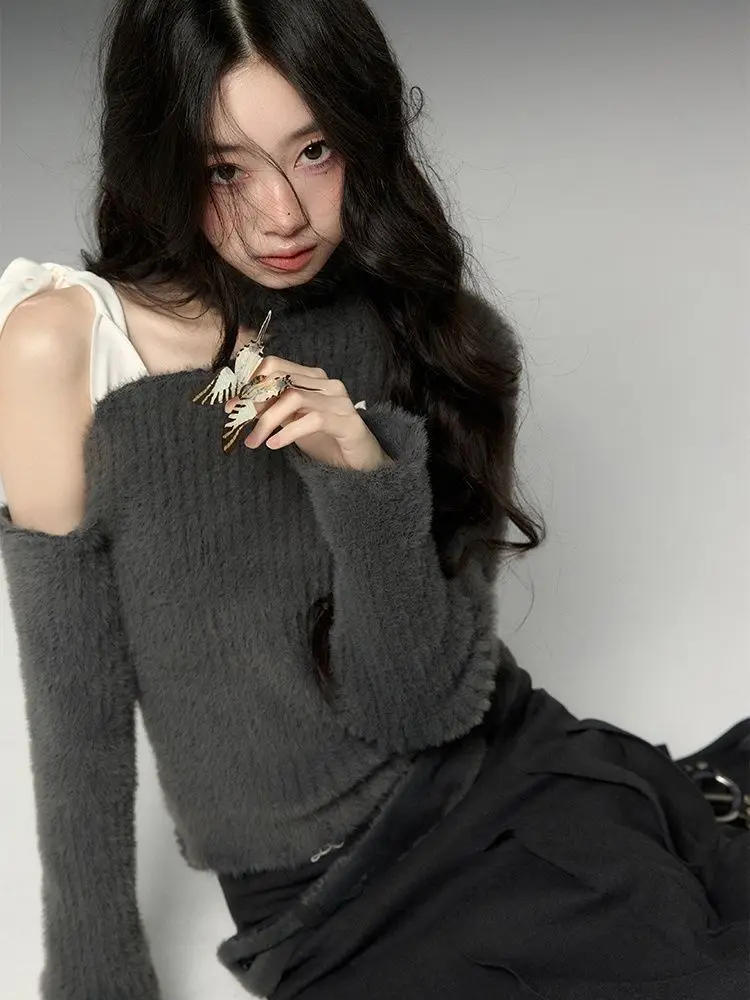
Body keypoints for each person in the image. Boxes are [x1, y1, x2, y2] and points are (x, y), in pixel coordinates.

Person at [0, 2, 747, 998]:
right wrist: (95, 979)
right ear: (158, 156)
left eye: (314, 151)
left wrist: (362, 472)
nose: (284, 215)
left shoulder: (421, 328)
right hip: (323, 908)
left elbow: (416, 703)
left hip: (506, 776)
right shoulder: (64, 348)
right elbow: (76, 711)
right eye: (226, 169)